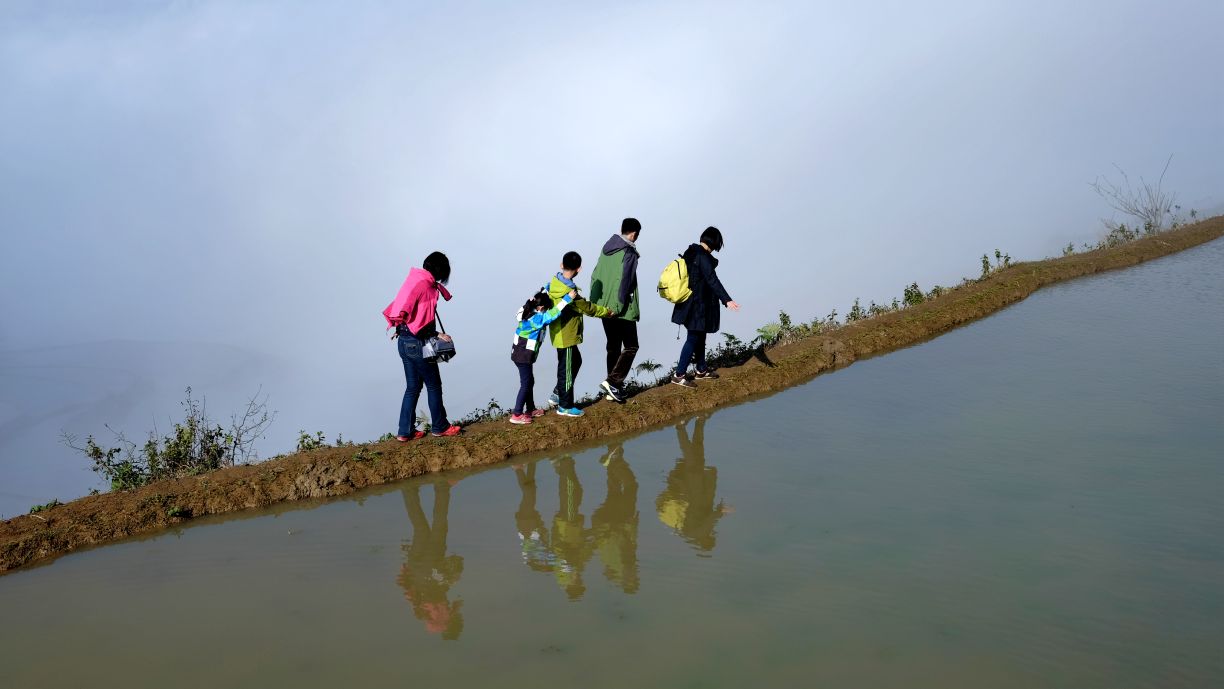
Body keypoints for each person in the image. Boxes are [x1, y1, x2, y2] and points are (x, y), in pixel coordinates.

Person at [383, 251, 462, 439]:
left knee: (412, 387)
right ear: (441, 269)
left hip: (403, 341)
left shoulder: (414, 280)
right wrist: (438, 335)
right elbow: (422, 324)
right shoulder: (426, 286)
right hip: (417, 343)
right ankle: (440, 427)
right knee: (434, 385)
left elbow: (405, 312)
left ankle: (405, 431)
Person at [670, 227, 740, 388]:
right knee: (693, 338)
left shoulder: (691, 252)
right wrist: (727, 300)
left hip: (689, 303)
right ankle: (679, 374)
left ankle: (701, 370)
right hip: (697, 305)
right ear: (715, 242)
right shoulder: (702, 256)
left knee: (700, 335)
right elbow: (712, 280)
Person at [546, 251, 614, 417]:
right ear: (579, 269)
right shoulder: (569, 291)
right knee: (567, 370)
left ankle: (557, 394)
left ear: (562, 265)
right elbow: (587, 308)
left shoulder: (554, 283)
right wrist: (607, 312)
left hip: (558, 332)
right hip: (566, 335)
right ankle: (565, 406)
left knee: (574, 362)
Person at [589, 218, 642, 403]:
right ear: (634, 234)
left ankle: (612, 389)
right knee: (631, 346)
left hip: (604, 306)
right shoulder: (629, 252)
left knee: (613, 346)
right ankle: (612, 382)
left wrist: (596, 304)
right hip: (621, 308)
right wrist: (618, 306)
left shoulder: (606, 250)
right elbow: (624, 281)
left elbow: (595, 275)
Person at [510, 288, 576, 425]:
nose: (547, 310)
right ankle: (517, 414)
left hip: (519, 351)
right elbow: (552, 315)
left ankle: (530, 409)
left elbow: (543, 306)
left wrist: (546, 288)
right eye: (546, 308)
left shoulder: (527, 309)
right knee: (526, 383)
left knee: (529, 381)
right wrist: (567, 299)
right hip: (523, 354)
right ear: (541, 308)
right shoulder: (537, 319)